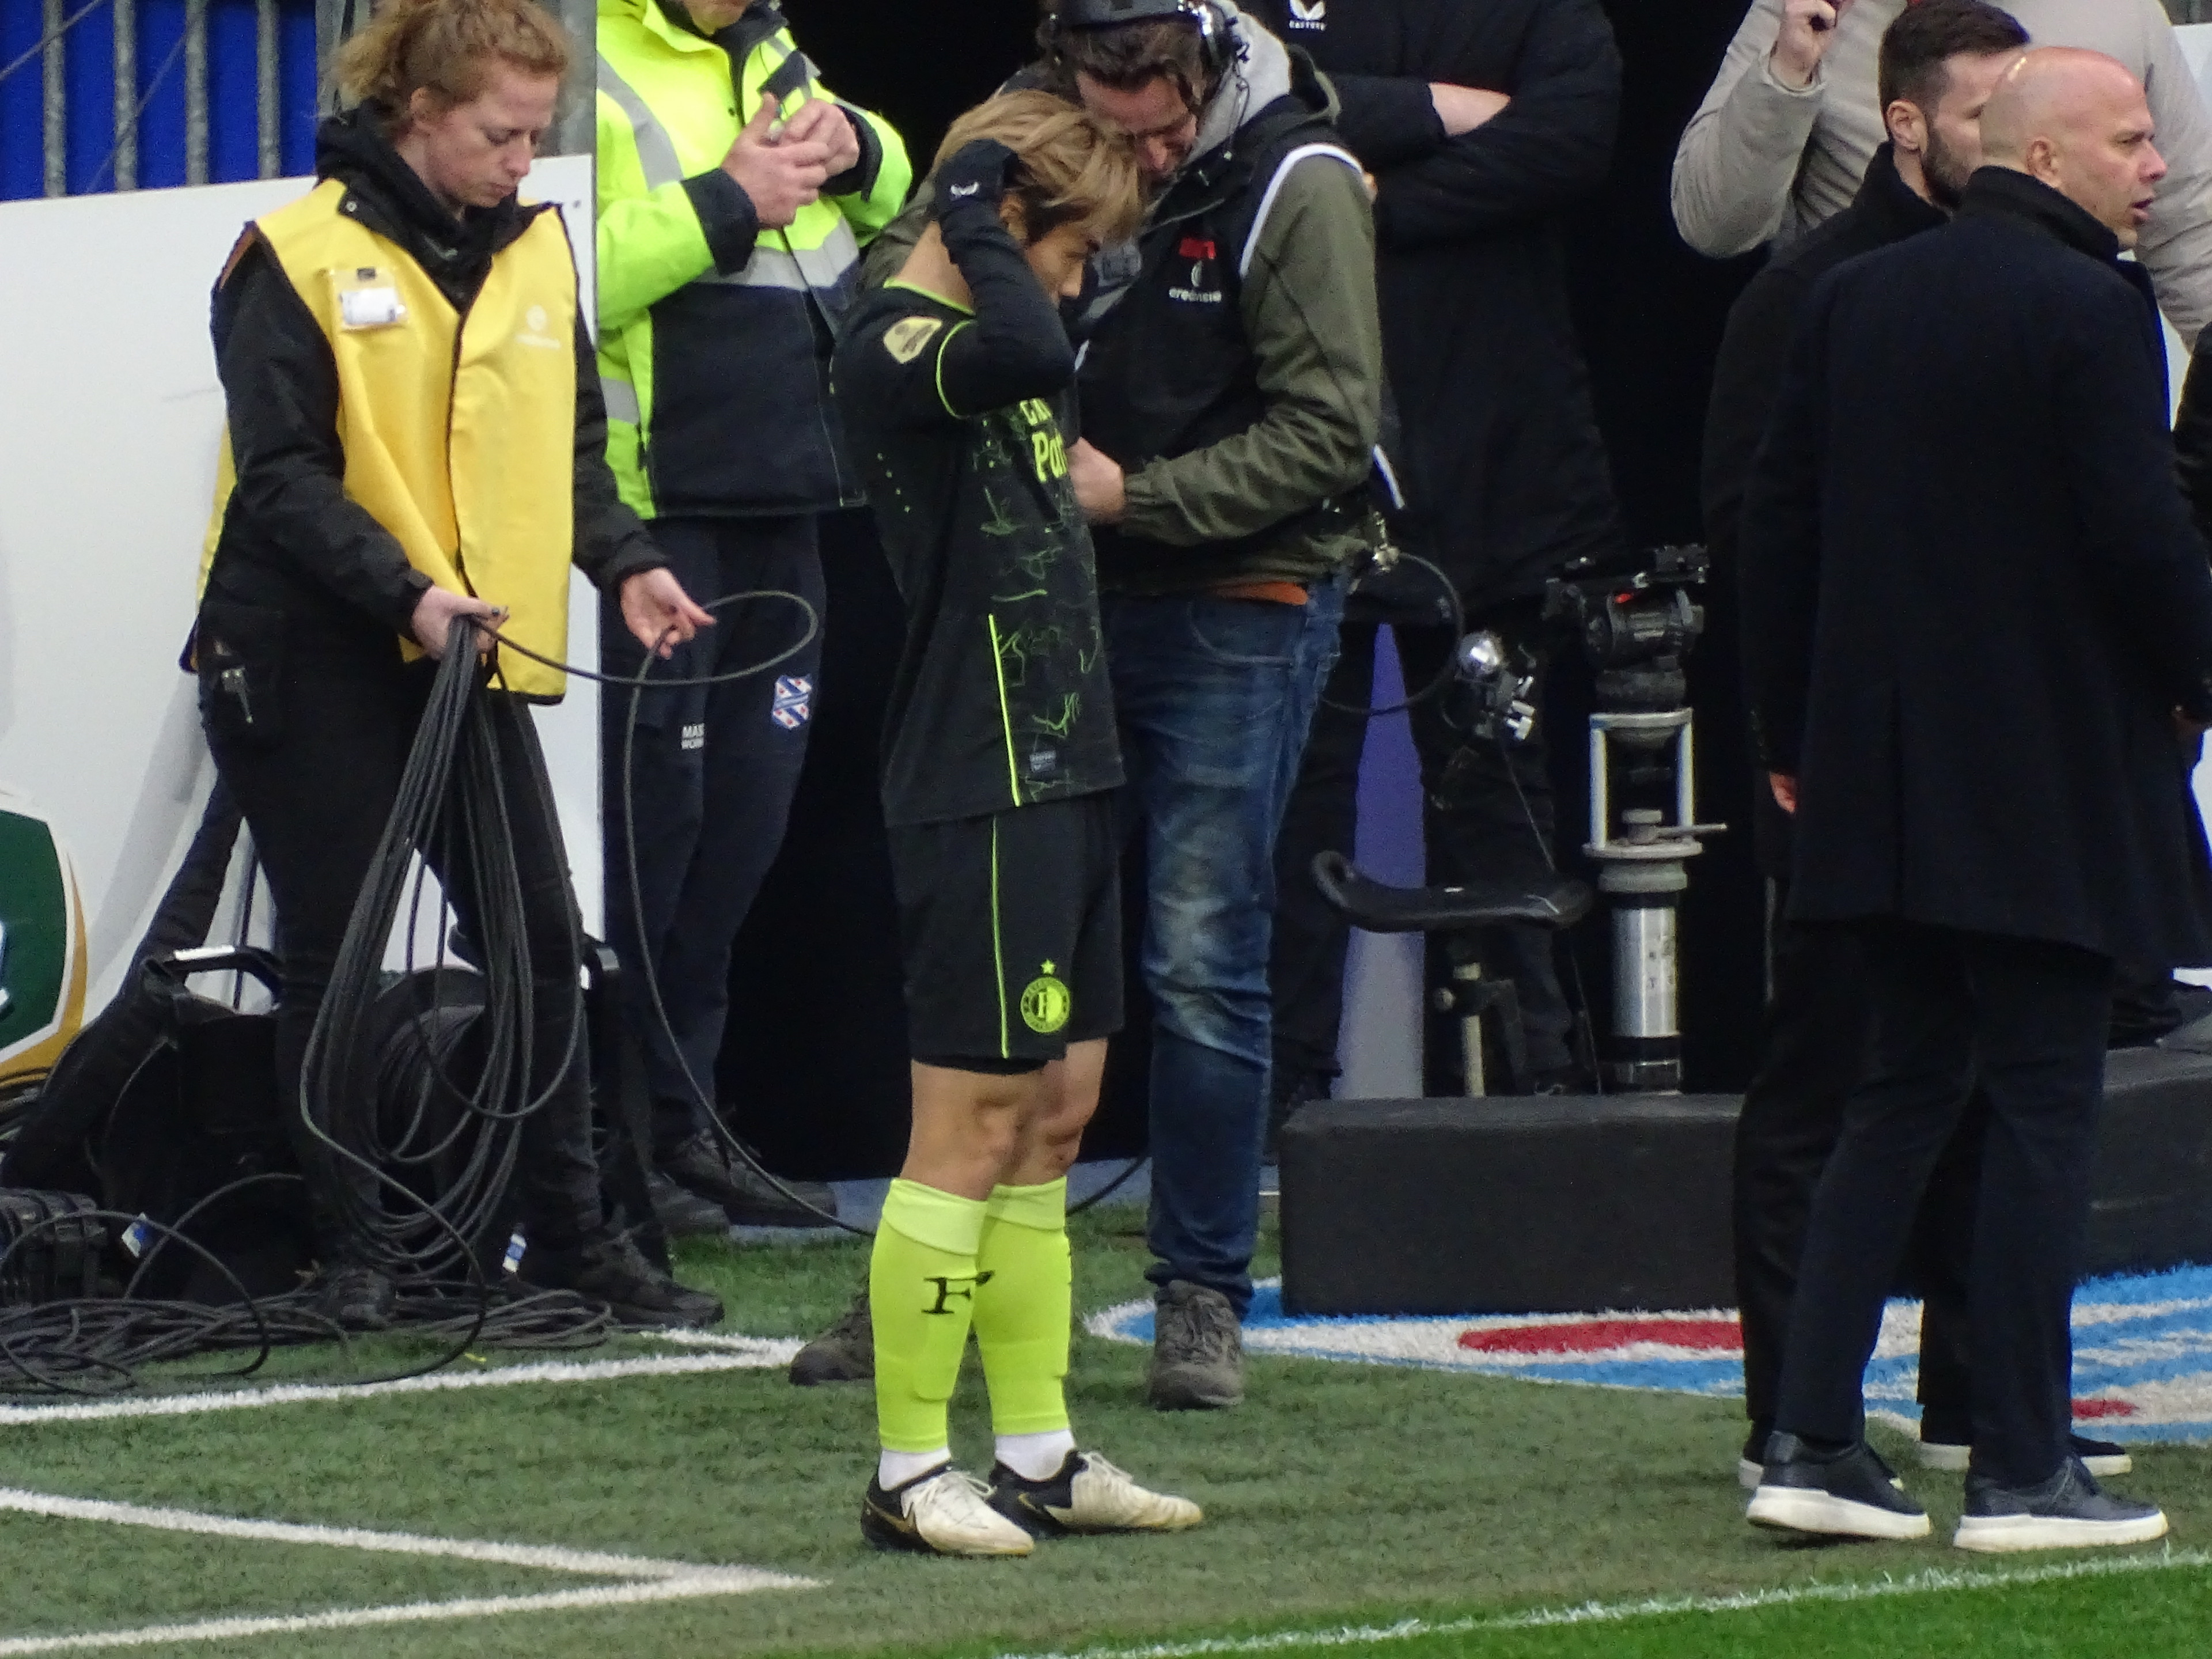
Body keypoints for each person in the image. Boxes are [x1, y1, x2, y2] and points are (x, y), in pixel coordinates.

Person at [1737, 46, 2211, 1549]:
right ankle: (2019, 1466)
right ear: (2051, 156)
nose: (2156, 164)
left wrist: (1792, 731)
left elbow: (1776, 528)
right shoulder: (2092, 307)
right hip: (2045, 779)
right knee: (2041, 1107)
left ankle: (1809, 1441)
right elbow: (2140, 543)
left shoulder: (1852, 298)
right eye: (2132, 139)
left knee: (1901, 1098)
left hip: (1881, 777)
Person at [192, 0, 720, 1329]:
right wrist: (408, 593)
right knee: (337, 947)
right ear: (420, 112)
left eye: (538, 135)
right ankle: (355, 1254)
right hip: (309, 647)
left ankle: (574, 1237)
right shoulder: (293, 256)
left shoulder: (539, 253)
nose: (521, 161)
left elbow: (569, 455)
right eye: (499, 133)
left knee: (540, 946)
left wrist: (628, 561)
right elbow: (284, 480)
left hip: (463, 647)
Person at [833, 92, 1202, 1559]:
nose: (1077, 279)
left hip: (1069, 760)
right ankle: (907, 1466)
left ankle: (1037, 1450)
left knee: (1055, 1116)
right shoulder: (896, 350)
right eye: (1071, 247)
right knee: (969, 1126)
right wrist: (980, 219)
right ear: (998, 226)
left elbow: (1042, 341)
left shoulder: (997, 332)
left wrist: (1005, 228)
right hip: (975, 775)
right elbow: (1028, 343)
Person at [1047, 0, 1384, 1411]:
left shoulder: (1298, 184)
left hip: (1241, 597)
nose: (1144, 146)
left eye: (1164, 122)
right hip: (1067, 593)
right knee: (1021, 936)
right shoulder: (1024, 152)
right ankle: (946, 1264)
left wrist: (1141, 499)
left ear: (1206, 63)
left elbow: (1331, 428)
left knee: (1197, 953)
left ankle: (1200, 1291)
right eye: (1113, 129)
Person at [1254, 0, 1628, 1111]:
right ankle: (1281, 1107)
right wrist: (1438, 110)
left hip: (1494, 466)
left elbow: (1572, 136)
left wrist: (1372, 197)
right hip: (1296, 470)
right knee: (1286, 806)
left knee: (1497, 791)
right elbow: (1244, 113)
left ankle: (1545, 1084)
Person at [594, 0, 911, 1236]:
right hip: (652, 514)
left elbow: (896, 208)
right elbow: (556, 266)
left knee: (742, 834)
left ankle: (686, 1121)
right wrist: (727, 200)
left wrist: (862, 151)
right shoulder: (589, 55)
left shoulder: (769, 47)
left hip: (791, 500)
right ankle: (614, 1145)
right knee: (650, 848)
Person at [1672, 0, 2212, 346]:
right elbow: (1716, 224)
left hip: (2058, 352)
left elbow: (2191, 235)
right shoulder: (1805, 12)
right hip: (1864, 360)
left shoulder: (2116, 12)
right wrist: (1788, 72)